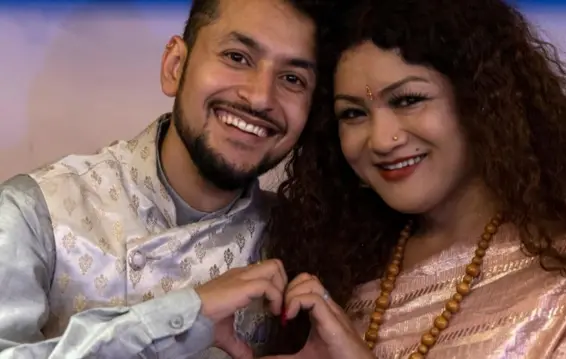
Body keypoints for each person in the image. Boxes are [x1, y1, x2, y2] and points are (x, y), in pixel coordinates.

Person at [263, 0, 566, 358]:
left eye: (408, 100)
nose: (380, 139)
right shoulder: (338, 268)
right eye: (352, 114)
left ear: (481, 103)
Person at [0, 0, 334, 357]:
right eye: (237, 57)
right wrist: (188, 313)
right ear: (175, 66)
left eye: (292, 79)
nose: (259, 97)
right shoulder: (34, 211)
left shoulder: (303, 241)